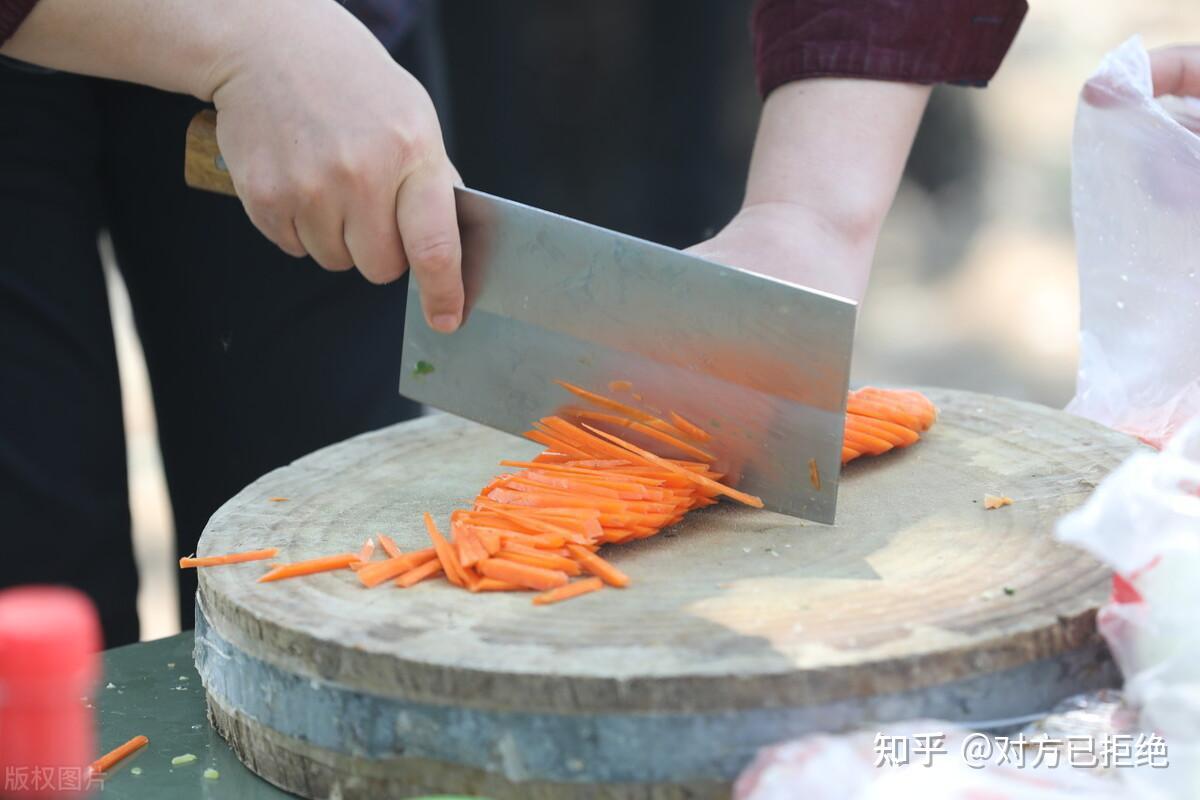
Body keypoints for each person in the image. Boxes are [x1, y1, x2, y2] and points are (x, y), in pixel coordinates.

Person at [0, 0, 1027, 646]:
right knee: (32, 597)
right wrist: (237, 30)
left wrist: (810, 213)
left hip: (338, 48)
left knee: (347, 613)